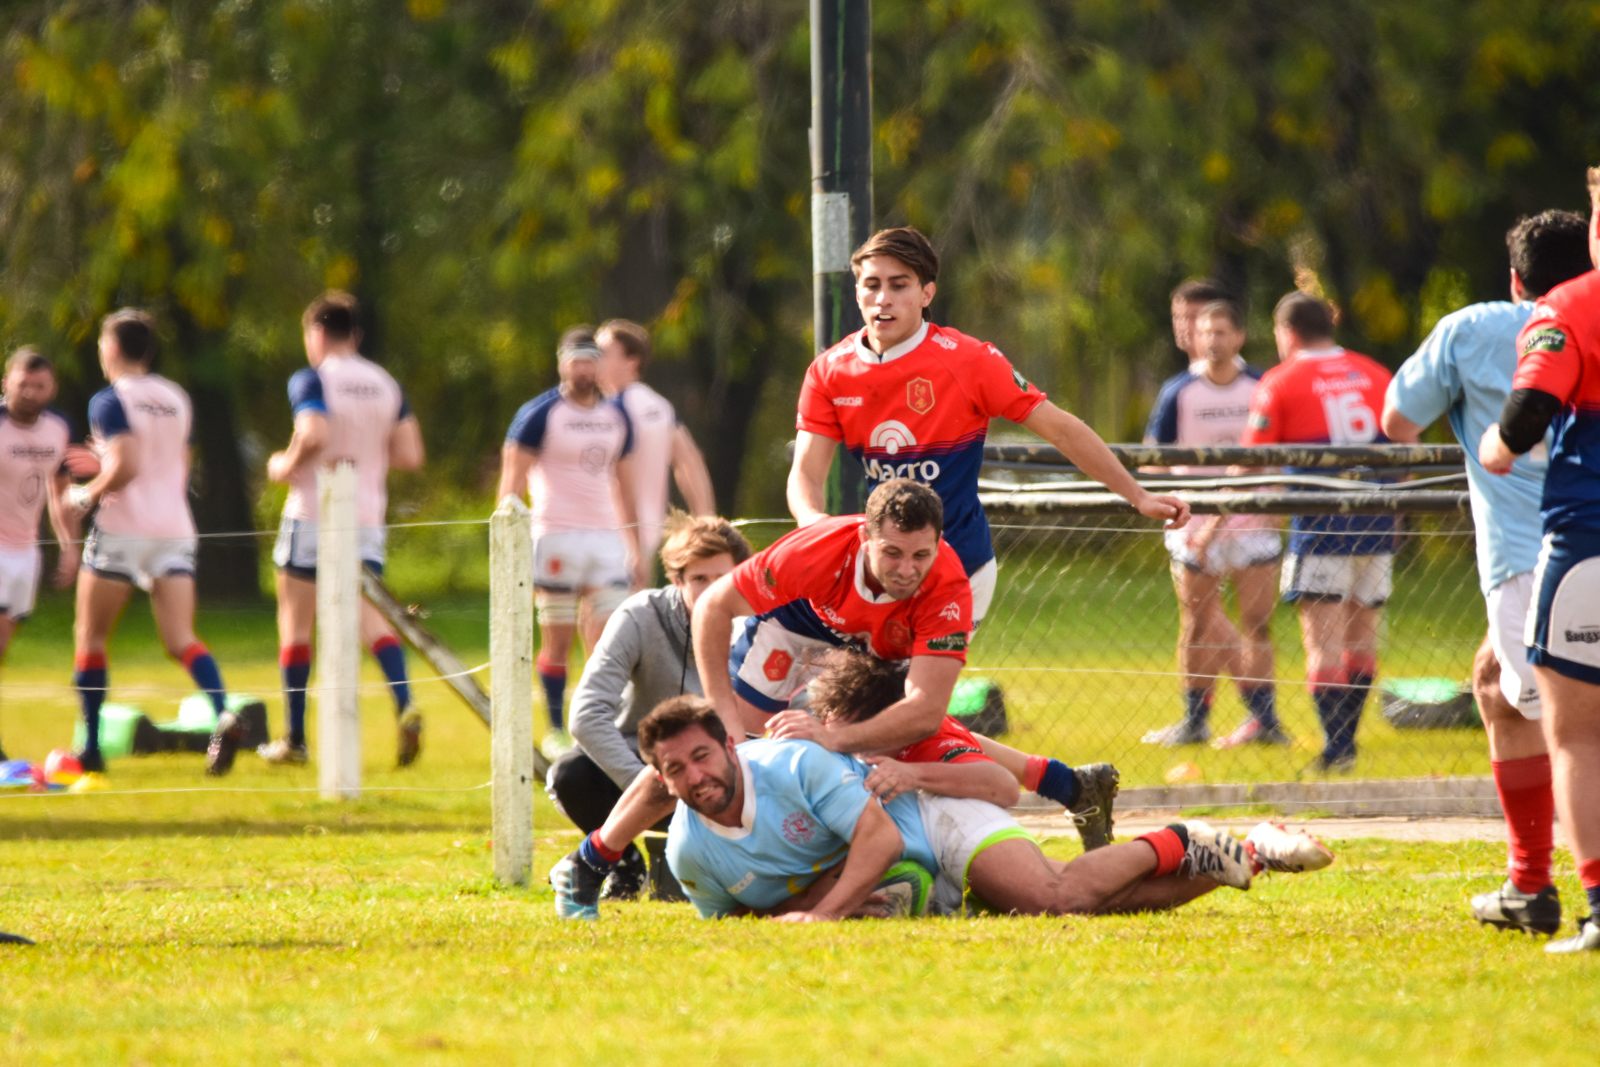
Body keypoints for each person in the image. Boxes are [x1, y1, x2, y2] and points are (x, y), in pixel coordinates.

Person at [549, 480, 1120, 920]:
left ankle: (1068, 786)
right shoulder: (817, 550)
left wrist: (834, 737)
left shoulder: (944, 588)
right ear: (864, 538)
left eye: (920, 556)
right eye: (892, 554)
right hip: (801, 622)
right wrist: (725, 715)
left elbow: (922, 711)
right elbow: (714, 607)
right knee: (713, 750)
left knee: (920, 732)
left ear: (939, 545)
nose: (906, 570)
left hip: (885, 636)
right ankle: (589, 862)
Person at [787, 226, 1189, 628]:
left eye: (899, 285)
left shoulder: (969, 361)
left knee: (913, 687)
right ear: (857, 292)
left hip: (961, 563)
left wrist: (1138, 496)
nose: (883, 298)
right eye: (871, 285)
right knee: (855, 684)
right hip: (884, 565)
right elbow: (806, 472)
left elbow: (1062, 430)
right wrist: (812, 524)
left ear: (927, 294)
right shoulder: (829, 371)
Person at [641, 696, 1331, 921]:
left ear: (729, 746)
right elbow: (748, 921)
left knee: (1054, 894)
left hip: (933, 813)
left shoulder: (794, 759)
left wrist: (822, 915)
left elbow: (879, 843)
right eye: (675, 769)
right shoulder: (689, 852)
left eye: (702, 756)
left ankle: (1182, 836)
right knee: (1096, 905)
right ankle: (1245, 853)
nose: (694, 775)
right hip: (908, 854)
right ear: (660, 779)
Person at [1383, 210, 1592, 937]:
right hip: (1567, 550)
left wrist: (1469, 417)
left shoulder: (1471, 330)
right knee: (1492, 685)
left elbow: (1396, 422)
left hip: (1536, 560)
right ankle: (1529, 884)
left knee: (1575, 730)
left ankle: (1562, 889)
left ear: (1515, 278)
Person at [1479, 166, 1600, 954]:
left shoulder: (1568, 307)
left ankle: (1594, 903)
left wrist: (1495, 446)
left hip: (1589, 540)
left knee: (1580, 735)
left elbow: (1525, 416)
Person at [63, 309, 235, 788]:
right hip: (175, 525)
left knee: (91, 636)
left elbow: (128, 461)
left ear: (113, 348)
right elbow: (178, 459)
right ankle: (223, 712)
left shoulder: (109, 399)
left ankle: (93, 748)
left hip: (124, 527)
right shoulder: (176, 397)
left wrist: (85, 493)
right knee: (180, 638)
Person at [260, 291, 426, 768]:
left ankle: (294, 737)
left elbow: (314, 433)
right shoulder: (384, 382)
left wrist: (283, 463)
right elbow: (411, 453)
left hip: (314, 511)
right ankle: (405, 702)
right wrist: (369, 452)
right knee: (370, 620)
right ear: (355, 334)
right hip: (369, 514)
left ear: (315, 333)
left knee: (295, 624)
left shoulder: (312, 378)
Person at [550, 515, 751, 901]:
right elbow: (586, 714)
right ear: (676, 581)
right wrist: (653, 788)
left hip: (730, 771)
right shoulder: (639, 615)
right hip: (647, 769)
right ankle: (623, 864)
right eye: (698, 580)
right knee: (570, 774)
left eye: (721, 579)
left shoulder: (762, 622)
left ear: (742, 576)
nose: (710, 592)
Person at [1240, 293, 1396, 774]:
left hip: (1321, 524)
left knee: (1323, 642)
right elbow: (1405, 447)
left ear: (1286, 332)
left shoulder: (1281, 380)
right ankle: (1346, 743)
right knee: (1362, 635)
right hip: (1378, 521)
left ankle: (1337, 747)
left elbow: (1254, 458)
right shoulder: (1375, 372)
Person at [497, 326, 647, 758]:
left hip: (604, 541)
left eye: (589, 359)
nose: (583, 368)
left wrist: (633, 546)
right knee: (557, 640)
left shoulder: (618, 417)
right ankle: (556, 726)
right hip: (555, 536)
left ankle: (598, 726)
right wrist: (512, 545)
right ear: (562, 363)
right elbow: (511, 481)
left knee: (606, 641)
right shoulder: (539, 413)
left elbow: (625, 486)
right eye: (574, 359)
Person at [1142, 300, 1284, 748]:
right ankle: (1195, 721)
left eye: (1221, 332)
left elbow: (1280, 452)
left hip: (1252, 525)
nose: (1212, 340)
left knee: (1257, 624)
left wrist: (1276, 501)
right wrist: (1171, 505)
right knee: (1198, 621)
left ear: (1239, 336)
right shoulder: (1178, 391)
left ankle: (1264, 722)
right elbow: (1154, 454)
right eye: (1205, 332)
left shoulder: (1262, 385)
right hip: (1194, 526)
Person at [0, 349, 78, 762]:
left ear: (52, 389)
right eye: (22, 384)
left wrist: (69, 546)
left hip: (26, 551)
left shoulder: (58, 428)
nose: (29, 393)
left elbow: (58, 491)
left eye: (38, 386)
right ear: (5, 383)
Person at [595, 320, 716, 563]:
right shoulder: (660, 406)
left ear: (632, 361)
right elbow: (689, 461)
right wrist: (706, 521)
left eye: (603, 353)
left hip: (611, 530)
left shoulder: (611, 410)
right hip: (648, 529)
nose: (595, 360)